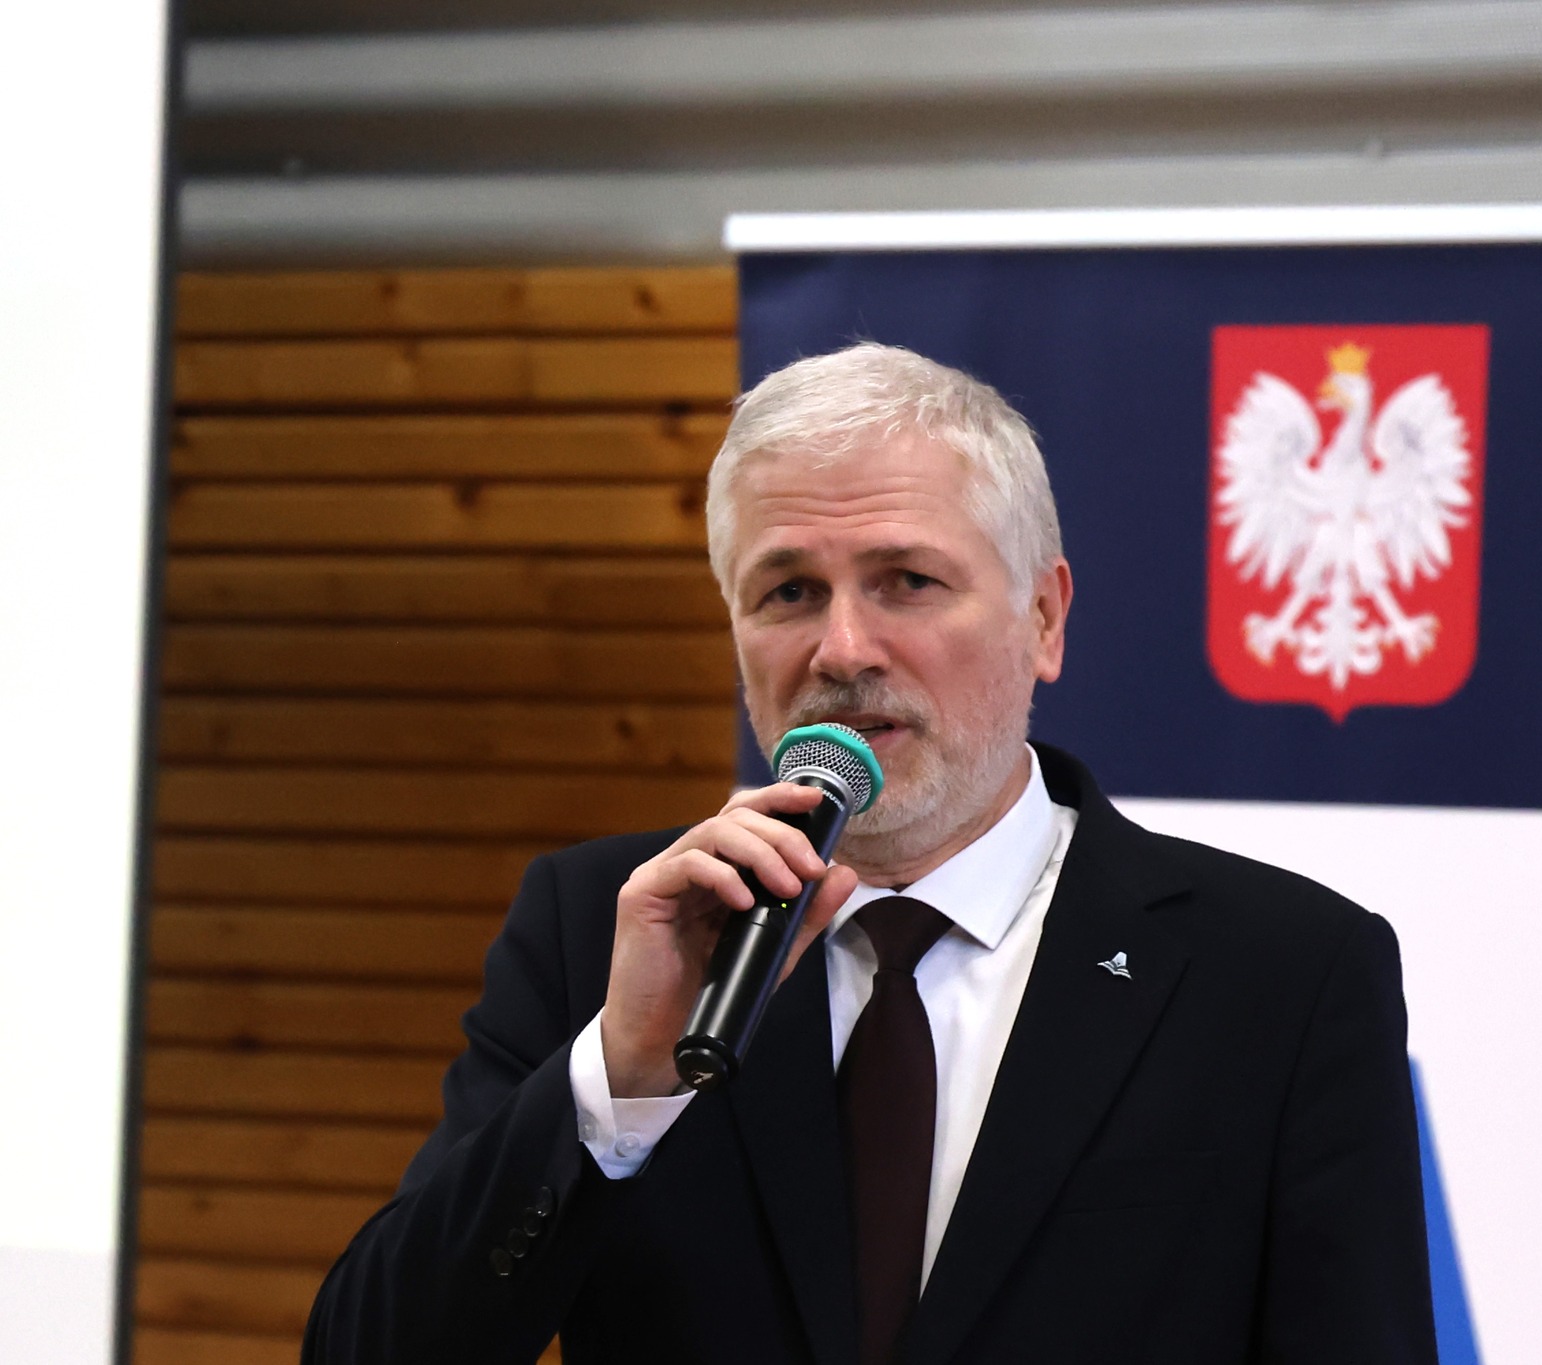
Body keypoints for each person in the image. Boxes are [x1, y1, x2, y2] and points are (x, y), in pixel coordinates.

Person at [302, 343, 1437, 1364]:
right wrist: (620, 1078)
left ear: (1044, 620)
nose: (843, 650)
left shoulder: (1283, 972)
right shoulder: (605, 926)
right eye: (789, 590)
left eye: (908, 580)